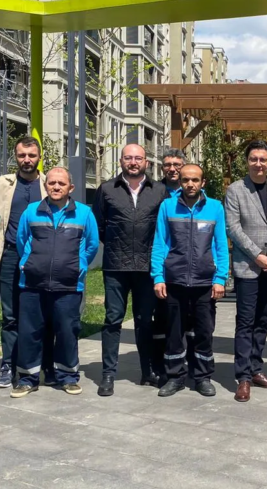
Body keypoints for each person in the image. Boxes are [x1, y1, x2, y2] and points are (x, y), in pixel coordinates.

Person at [11, 167, 99, 398]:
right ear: (45, 185)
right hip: (32, 283)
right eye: (52, 183)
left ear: (71, 187)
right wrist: (29, 263)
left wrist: (79, 265)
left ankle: (68, 377)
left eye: (61, 183)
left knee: (67, 332)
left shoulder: (84, 213)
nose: (56, 187)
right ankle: (28, 379)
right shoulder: (31, 211)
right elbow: (22, 241)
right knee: (29, 332)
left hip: (69, 285)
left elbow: (92, 244)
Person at [93, 143, 168, 397]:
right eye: (128, 158)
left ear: (146, 162)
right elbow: (98, 225)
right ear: (121, 161)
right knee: (113, 319)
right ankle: (108, 375)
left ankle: (148, 371)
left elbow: (165, 227)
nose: (133, 162)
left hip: (147, 267)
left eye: (138, 158)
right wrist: (116, 245)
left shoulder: (159, 191)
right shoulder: (106, 189)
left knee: (145, 321)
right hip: (116, 267)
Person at [225, 140, 267, 403]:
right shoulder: (235, 190)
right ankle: (243, 377)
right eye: (253, 159)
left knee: (262, 321)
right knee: (245, 322)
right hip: (249, 266)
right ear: (247, 161)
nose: (258, 164)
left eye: (263, 159)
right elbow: (233, 228)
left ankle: (256, 369)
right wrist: (257, 254)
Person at [151, 164, 229, 398]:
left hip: (205, 282)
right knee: (174, 332)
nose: (190, 184)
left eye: (195, 180)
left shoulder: (215, 207)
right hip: (174, 280)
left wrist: (220, 278)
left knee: (204, 332)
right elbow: (159, 243)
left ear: (203, 182)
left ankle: (203, 377)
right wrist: (158, 277)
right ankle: (175, 377)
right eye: (186, 180)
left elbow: (221, 245)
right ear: (180, 182)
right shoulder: (167, 206)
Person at [0, 136, 51, 389]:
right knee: (10, 315)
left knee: (42, 312)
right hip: (10, 255)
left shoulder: (48, 183)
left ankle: (42, 365)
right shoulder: (2, 183)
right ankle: (8, 365)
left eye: (31, 155)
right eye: (22, 155)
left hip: (42, 257)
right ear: (15, 157)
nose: (27, 160)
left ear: (39, 157)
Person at [151, 147, 189, 381]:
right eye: (168, 165)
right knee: (161, 318)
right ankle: (160, 366)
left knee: (189, 319)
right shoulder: (154, 192)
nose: (172, 169)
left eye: (177, 164)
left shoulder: (195, 192)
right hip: (161, 265)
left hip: (189, 267)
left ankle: (189, 364)